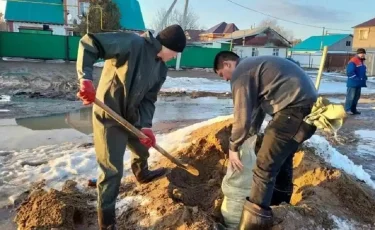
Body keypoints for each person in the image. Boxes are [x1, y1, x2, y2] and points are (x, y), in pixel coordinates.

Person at [76, 24, 186, 229]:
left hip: (132, 115)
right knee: (112, 170)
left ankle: (142, 173)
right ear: (168, 46)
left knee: (143, 147)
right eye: (175, 53)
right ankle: (107, 221)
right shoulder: (133, 43)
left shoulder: (161, 68)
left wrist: (145, 126)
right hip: (109, 113)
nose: (174, 57)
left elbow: (149, 100)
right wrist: (86, 80)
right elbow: (90, 43)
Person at [213, 51, 318, 229]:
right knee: (282, 159)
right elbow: (257, 110)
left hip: (293, 109)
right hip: (304, 110)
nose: (225, 79)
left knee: (264, 165)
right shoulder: (255, 67)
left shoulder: (242, 72)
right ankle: (280, 207)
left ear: (228, 65)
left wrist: (233, 147)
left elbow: (242, 115)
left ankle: (251, 226)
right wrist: (249, 138)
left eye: (222, 74)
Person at [345, 48, 367, 115]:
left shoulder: (361, 61)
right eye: (361, 53)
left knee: (356, 97)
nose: (362, 55)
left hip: (358, 83)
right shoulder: (353, 61)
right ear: (358, 54)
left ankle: (353, 110)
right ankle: (348, 109)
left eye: (363, 53)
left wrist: (364, 77)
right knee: (350, 97)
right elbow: (349, 72)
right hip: (353, 83)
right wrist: (356, 78)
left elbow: (361, 71)